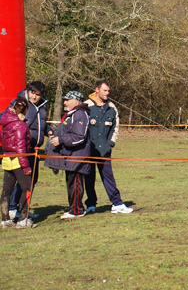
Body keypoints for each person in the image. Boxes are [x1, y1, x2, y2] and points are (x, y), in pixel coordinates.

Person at [0, 81, 49, 220]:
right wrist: (18, 125)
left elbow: (42, 125)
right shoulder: (19, 102)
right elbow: (3, 117)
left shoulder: (43, 105)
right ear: (28, 91)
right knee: (23, 182)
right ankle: (15, 210)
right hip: (22, 149)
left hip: (35, 148)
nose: (34, 97)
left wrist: (49, 131)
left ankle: (19, 209)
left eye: (38, 94)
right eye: (32, 93)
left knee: (31, 180)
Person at [83, 81, 133, 214]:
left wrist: (110, 143)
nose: (107, 93)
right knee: (89, 177)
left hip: (104, 150)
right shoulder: (86, 106)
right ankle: (91, 204)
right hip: (88, 150)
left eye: (108, 91)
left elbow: (115, 127)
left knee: (108, 177)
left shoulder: (112, 107)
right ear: (97, 90)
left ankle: (117, 203)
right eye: (105, 91)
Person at [44, 90, 92, 219]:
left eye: (67, 100)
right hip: (70, 154)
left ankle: (76, 210)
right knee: (71, 182)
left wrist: (60, 140)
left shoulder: (80, 114)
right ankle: (74, 208)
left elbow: (79, 137)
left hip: (77, 154)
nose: (64, 102)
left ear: (76, 101)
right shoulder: (71, 114)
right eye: (64, 99)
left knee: (75, 182)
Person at [0, 97, 35, 228]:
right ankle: (22, 219)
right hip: (18, 161)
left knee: (6, 191)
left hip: (7, 159)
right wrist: (25, 166)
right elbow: (21, 148)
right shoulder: (20, 125)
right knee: (26, 188)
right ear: (25, 109)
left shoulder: (6, 123)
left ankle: (5, 219)